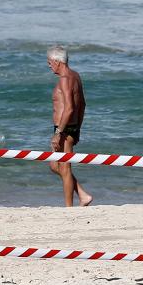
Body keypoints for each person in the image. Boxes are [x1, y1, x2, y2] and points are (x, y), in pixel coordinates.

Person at [47, 45, 93, 207]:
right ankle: (82, 194)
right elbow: (83, 105)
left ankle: (69, 209)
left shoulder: (65, 79)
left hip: (64, 129)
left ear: (57, 61)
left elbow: (69, 108)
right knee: (54, 165)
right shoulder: (75, 76)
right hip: (70, 127)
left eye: (50, 62)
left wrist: (59, 132)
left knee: (65, 169)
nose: (49, 65)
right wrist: (78, 128)